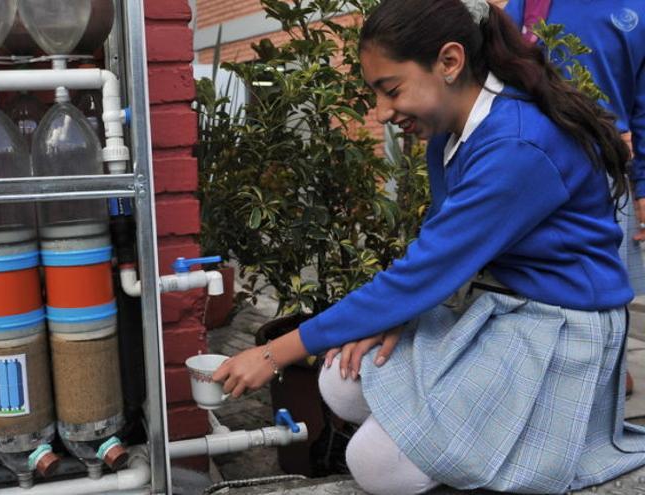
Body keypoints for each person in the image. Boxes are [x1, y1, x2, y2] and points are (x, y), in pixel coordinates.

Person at [212, 0, 645, 493]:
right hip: (501, 302)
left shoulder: (518, 146)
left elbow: (422, 274)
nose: (381, 113)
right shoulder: (451, 135)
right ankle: (459, 439)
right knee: (339, 378)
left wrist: (273, 355)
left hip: (559, 327)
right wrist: (396, 316)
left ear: (450, 62)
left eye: (390, 89)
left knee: (374, 462)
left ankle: (504, 443)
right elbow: (437, 257)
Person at [501, 0, 645, 397]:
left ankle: (611, 367)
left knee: (609, 272)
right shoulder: (528, 4)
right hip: (537, 162)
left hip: (609, 165)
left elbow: (643, 106)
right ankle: (554, 367)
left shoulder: (637, 9)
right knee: (546, 271)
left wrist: (644, 187)